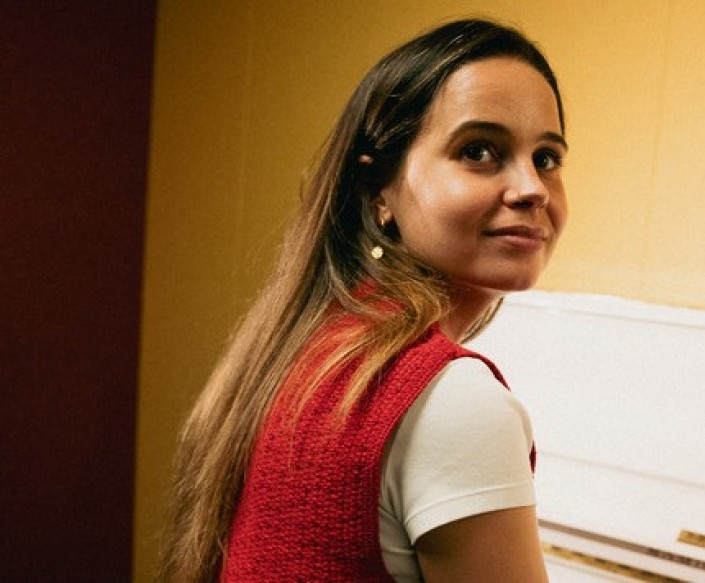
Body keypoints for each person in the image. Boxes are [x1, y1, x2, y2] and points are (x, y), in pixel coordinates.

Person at [157, 17, 568, 582]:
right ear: (379, 192)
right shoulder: (453, 402)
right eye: (479, 151)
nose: (532, 189)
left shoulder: (310, 344)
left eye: (546, 157)